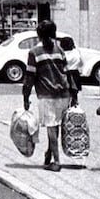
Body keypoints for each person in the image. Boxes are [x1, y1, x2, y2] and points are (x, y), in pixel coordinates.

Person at [21, 19, 77, 172]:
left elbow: (29, 77)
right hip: (64, 93)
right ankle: (49, 152)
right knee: (56, 125)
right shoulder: (59, 50)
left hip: (47, 95)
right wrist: (74, 94)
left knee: (51, 127)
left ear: (38, 35)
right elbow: (68, 73)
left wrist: (25, 97)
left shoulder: (34, 52)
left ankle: (56, 161)